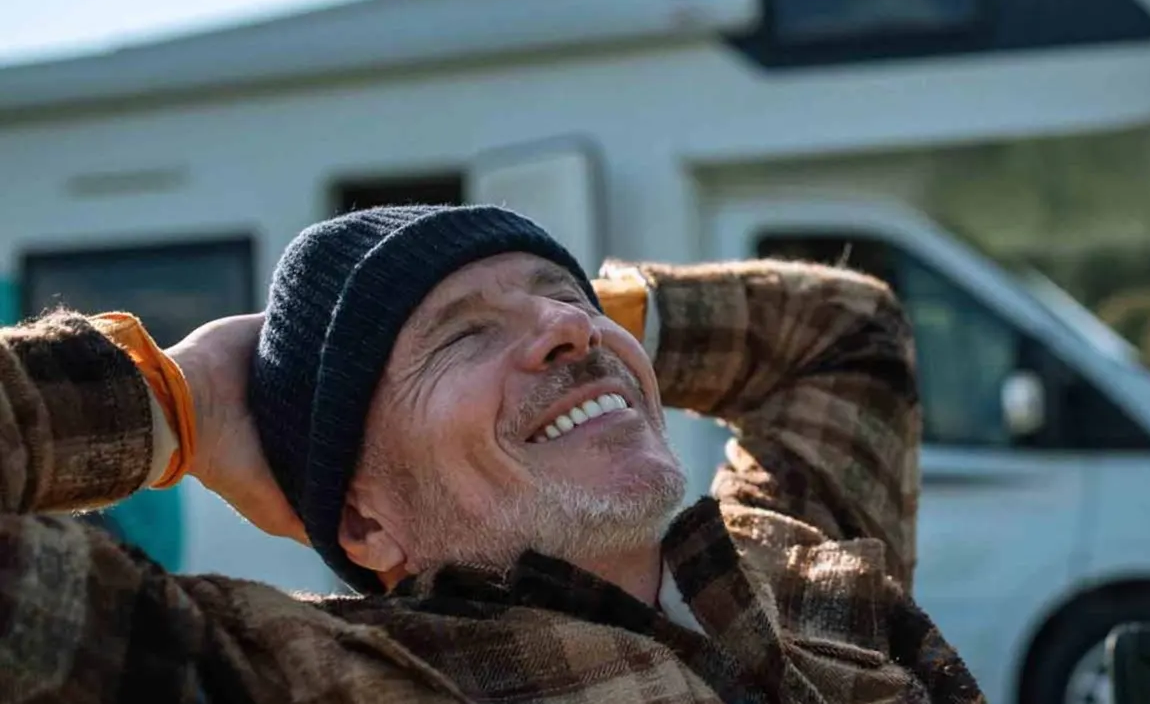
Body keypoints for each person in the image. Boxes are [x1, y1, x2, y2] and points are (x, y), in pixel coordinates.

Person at [0, 205, 984, 703]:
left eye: (565, 296)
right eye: (459, 335)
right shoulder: (289, 675)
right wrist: (179, 397)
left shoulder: (793, 562)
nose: (567, 328)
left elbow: (844, 331)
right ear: (361, 518)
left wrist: (602, 336)